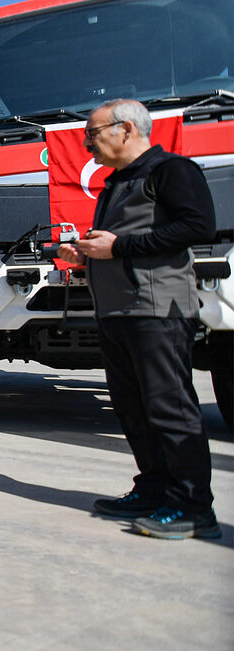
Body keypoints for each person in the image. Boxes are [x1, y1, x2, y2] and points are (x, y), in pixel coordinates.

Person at [58, 99, 218, 539]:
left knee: (169, 408)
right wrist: (86, 253)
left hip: (157, 309)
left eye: (92, 132)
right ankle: (153, 489)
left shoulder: (171, 170)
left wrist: (118, 248)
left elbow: (198, 226)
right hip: (116, 310)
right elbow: (119, 240)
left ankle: (192, 508)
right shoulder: (117, 183)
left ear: (126, 129)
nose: (86, 142)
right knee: (133, 409)